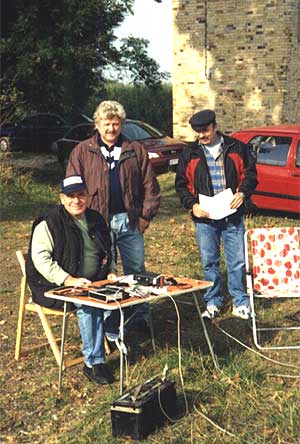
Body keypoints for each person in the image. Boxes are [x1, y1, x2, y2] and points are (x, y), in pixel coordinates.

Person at [66, 100, 161, 332]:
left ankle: (140, 318)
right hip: (97, 223)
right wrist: (81, 219)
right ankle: (112, 322)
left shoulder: (135, 149)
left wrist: (144, 217)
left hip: (128, 221)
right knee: (106, 272)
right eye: (107, 124)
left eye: (116, 124)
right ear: (97, 124)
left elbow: (151, 186)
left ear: (122, 125)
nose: (111, 129)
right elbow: (71, 188)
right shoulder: (82, 151)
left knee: (136, 270)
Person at [26, 175, 115, 384]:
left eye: (81, 195)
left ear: (88, 196)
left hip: (93, 281)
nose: (76, 200)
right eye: (70, 196)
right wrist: (67, 279)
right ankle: (94, 363)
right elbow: (40, 258)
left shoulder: (95, 218)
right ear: (62, 198)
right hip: (53, 286)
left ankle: (116, 338)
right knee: (89, 304)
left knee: (130, 295)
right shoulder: (49, 222)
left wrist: (111, 270)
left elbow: (108, 249)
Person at [175, 109, 258, 320]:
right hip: (205, 217)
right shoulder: (189, 153)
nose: (202, 136)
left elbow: (250, 174)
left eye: (205, 131)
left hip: (232, 215)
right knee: (209, 261)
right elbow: (181, 185)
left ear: (214, 126)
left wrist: (243, 193)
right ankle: (213, 301)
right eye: (197, 132)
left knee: (237, 261)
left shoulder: (236, 147)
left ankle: (240, 301)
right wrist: (191, 205)